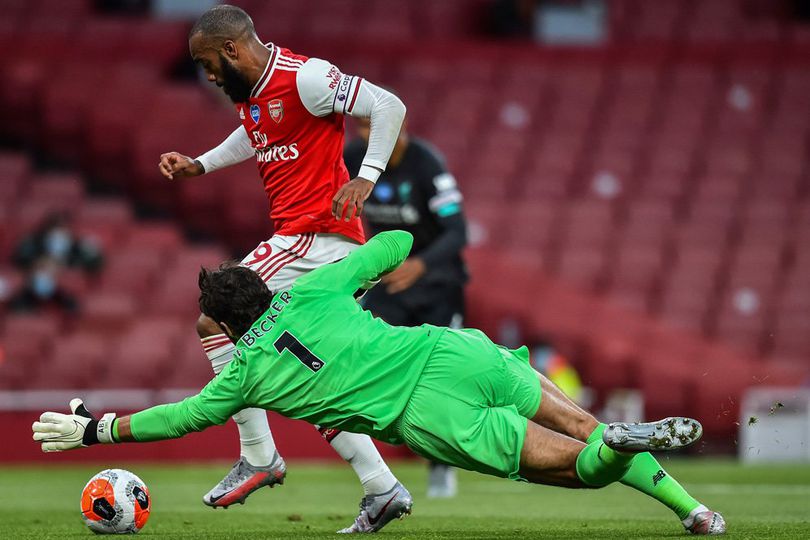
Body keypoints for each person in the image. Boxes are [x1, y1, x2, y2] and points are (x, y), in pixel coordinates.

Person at [32, 231, 726, 536]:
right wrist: (380, 254)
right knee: (584, 425)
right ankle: (695, 513)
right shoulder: (310, 294)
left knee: (586, 470)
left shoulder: (243, 374)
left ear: (227, 324)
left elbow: (179, 418)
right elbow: (391, 251)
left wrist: (100, 428)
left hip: (428, 415)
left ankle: (621, 452)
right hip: (454, 352)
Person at [155, 5, 410, 531]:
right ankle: (382, 487)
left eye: (207, 63)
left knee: (214, 316)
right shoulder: (254, 98)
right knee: (305, 373)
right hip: (310, 242)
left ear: (230, 49)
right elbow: (255, 136)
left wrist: (366, 176)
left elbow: (388, 105)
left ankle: (259, 455)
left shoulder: (307, 78)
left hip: (315, 239)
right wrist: (200, 164)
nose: (206, 75)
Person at [345, 116, 467, 498]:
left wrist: (420, 264)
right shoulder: (353, 158)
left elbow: (457, 230)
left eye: (374, 127)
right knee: (360, 354)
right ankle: (373, 465)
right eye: (362, 128)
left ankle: (441, 466)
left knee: (442, 377)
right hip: (391, 285)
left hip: (437, 285)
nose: (367, 135)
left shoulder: (427, 163)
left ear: (400, 126)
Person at [14, 212, 103, 275]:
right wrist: (38, 262)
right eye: (55, 228)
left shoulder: (77, 246)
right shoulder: (33, 242)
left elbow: (96, 264)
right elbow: (19, 260)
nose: (59, 233)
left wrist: (70, 265)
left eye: (63, 228)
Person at [9, 257, 78, 315]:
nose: (45, 275)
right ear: (33, 273)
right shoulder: (21, 297)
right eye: (42, 270)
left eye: (49, 271)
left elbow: (73, 313)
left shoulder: (63, 297)